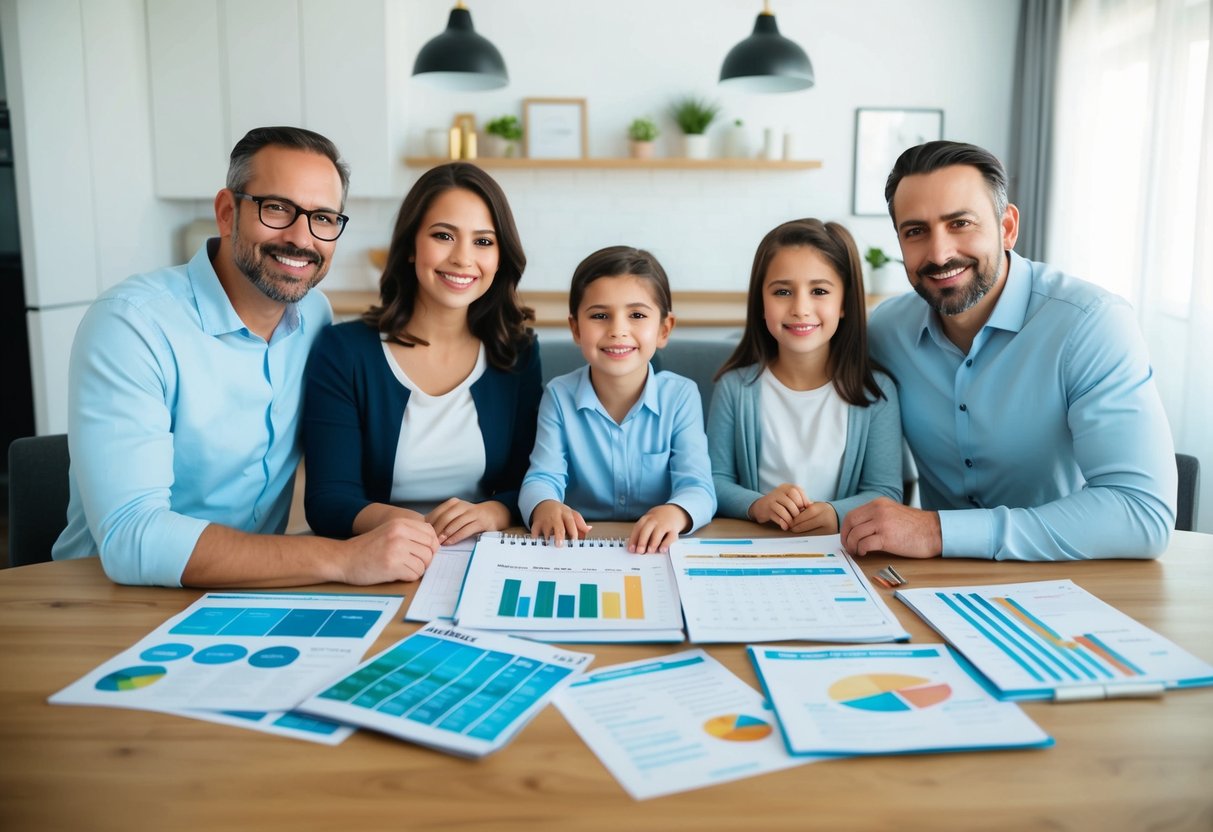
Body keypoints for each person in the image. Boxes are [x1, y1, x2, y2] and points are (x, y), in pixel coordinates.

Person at [52, 126, 439, 587]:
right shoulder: (131, 325)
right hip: (108, 601)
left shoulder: (314, 314)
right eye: (277, 208)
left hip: (254, 592)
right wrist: (342, 559)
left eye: (324, 218)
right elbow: (133, 538)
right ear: (227, 213)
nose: (301, 238)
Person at [841, 140, 1176, 561]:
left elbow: (1142, 514)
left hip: (1075, 579)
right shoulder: (886, 332)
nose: (940, 253)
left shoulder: (1091, 324)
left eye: (960, 223)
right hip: (933, 583)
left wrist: (939, 531)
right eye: (916, 231)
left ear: (1007, 227)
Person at [302, 163, 541, 553]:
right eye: (443, 235)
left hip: (485, 554)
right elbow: (328, 499)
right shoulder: (344, 351)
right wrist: (415, 528)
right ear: (411, 246)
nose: (463, 258)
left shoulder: (516, 354)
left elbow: (532, 479)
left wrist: (494, 512)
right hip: (376, 555)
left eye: (483, 241)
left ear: (500, 258)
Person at [708, 218, 902, 534]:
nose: (800, 308)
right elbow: (713, 482)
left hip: (840, 554)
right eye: (782, 291)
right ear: (760, 302)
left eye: (819, 291)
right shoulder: (735, 388)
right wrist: (756, 504)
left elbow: (886, 491)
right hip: (754, 550)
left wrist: (835, 514)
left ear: (844, 303)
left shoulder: (876, 392)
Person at [518, 246, 716, 553]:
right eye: (600, 315)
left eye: (636, 315)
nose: (617, 330)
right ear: (575, 328)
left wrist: (676, 513)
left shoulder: (681, 396)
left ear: (664, 329)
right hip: (578, 548)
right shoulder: (558, 395)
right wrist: (544, 505)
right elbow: (542, 477)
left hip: (656, 550)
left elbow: (699, 487)